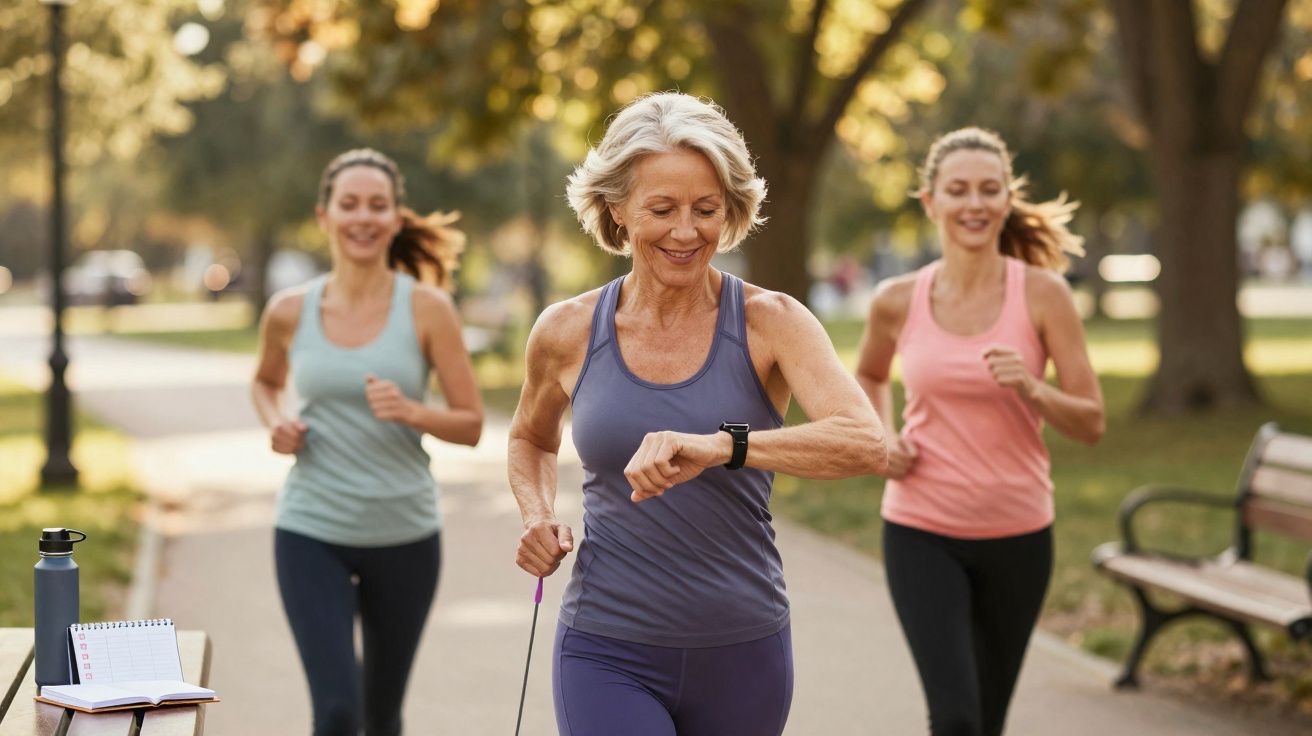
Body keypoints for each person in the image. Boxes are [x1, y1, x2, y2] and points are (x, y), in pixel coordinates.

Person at [507, 92, 887, 736]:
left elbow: (864, 443)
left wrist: (722, 446)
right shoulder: (566, 331)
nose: (686, 232)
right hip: (606, 644)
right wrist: (538, 516)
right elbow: (530, 440)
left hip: (743, 649)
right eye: (662, 209)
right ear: (617, 209)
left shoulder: (772, 322)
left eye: (706, 210)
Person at [856, 127, 1105, 736]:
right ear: (931, 202)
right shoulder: (897, 299)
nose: (975, 203)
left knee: (987, 720)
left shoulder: (1044, 296)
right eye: (959, 190)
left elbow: (1092, 421)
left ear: (1006, 200)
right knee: (958, 717)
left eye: (990, 190)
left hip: (1019, 533)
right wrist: (881, 439)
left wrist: (1033, 388)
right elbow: (867, 373)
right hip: (920, 530)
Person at [251, 148, 484, 735]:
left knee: (382, 718)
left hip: (405, 532)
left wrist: (411, 412)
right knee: (336, 712)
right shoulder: (287, 310)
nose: (363, 217)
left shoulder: (429, 310)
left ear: (397, 218)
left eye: (377, 205)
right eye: (349, 204)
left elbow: (472, 422)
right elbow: (264, 382)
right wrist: (275, 421)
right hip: (311, 530)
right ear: (324, 216)